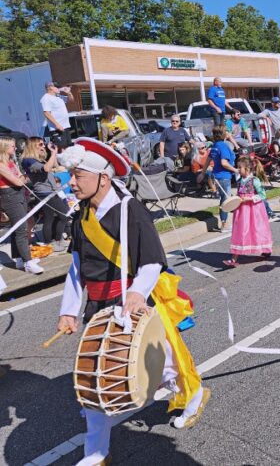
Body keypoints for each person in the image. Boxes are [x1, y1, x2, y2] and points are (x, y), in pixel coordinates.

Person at [55, 138, 210, 466]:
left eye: (77, 176)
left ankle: (193, 395)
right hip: (96, 308)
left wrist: (138, 293)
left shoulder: (131, 211)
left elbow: (152, 261)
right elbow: (76, 268)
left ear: (102, 178)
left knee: (163, 365)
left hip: (129, 300)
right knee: (97, 373)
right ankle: (96, 453)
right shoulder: (81, 216)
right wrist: (69, 311)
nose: (71, 182)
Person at [0, 137, 44, 274]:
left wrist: (22, 177)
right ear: (4, 148)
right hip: (10, 196)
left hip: (19, 195)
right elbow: (19, 181)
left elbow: (22, 179)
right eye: (12, 146)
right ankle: (28, 262)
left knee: (17, 228)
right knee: (21, 230)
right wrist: (23, 177)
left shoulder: (11, 162)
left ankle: (19, 258)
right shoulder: (1, 164)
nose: (15, 148)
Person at [20, 137, 68, 251]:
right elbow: (46, 169)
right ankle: (54, 241)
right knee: (63, 216)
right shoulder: (28, 160)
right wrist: (53, 154)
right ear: (32, 146)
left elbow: (54, 166)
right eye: (40, 145)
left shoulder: (38, 159)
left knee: (50, 218)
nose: (43, 147)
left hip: (50, 191)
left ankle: (53, 241)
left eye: (43, 144)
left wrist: (53, 154)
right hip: (45, 193)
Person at [224, 157, 272, 266]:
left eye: (240, 167)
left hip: (254, 210)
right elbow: (238, 194)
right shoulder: (240, 180)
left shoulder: (254, 180)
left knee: (257, 230)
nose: (238, 169)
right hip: (242, 211)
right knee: (240, 231)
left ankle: (265, 249)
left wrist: (249, 199)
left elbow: (262, 195)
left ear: (248, 168)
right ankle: (234, 258)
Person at [199, 127, 237, 232]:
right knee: (225, 201)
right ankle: (224, 224)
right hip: (224, 176)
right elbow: (224, 163)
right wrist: (236, 170)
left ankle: (225, 222)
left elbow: (208, 160)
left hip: (217, 176)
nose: (229, 133)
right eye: (227, 131)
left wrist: (202, 173)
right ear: (223, 134)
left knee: (224, 199)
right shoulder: (223, 146)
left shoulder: (215, 146)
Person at [40, 81, 74, 148]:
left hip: (65, 126)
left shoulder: (59, 97)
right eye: (57, 87)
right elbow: (46, 113)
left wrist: (69, 93)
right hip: (57, 128)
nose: (59, 88)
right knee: (61, 148)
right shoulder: (46, 98)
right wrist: (57, 124)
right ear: (50, 88)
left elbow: (71, 100)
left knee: (68, 146)